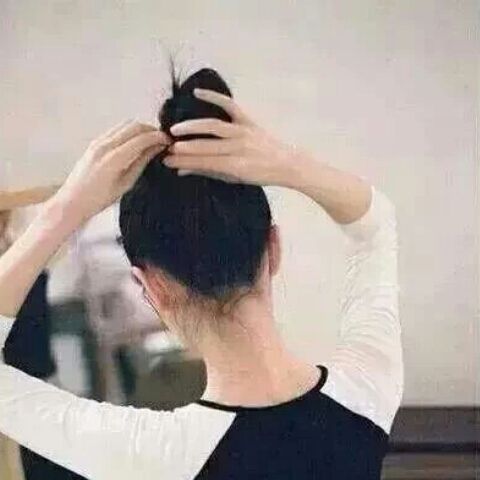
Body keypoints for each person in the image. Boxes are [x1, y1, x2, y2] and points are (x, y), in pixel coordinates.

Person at [0, 67, 402, 479]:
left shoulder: (151, 452)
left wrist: (63, 210)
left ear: (151, 287)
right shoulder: (366, 392)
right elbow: (376, 225)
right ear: (273, 248)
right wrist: (288, 162)